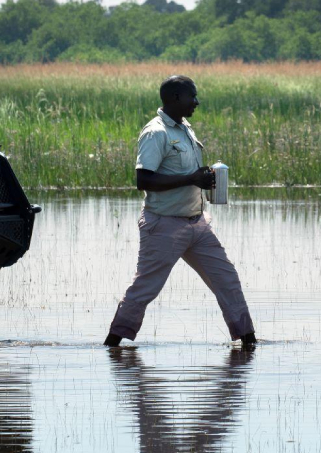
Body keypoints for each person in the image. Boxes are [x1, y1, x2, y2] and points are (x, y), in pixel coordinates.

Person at [105, 76, 256, 347]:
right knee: (145, 289)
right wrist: (191, 179)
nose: (196, 102)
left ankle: (249, 343)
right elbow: (144, 180)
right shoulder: (156, 133)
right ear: (175, 98)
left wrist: (202, 177)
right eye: (192, 96)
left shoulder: (185, 128)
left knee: (228, 280)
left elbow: (185, 172)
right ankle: (112, 346)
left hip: (197, 224)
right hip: (163, 225)